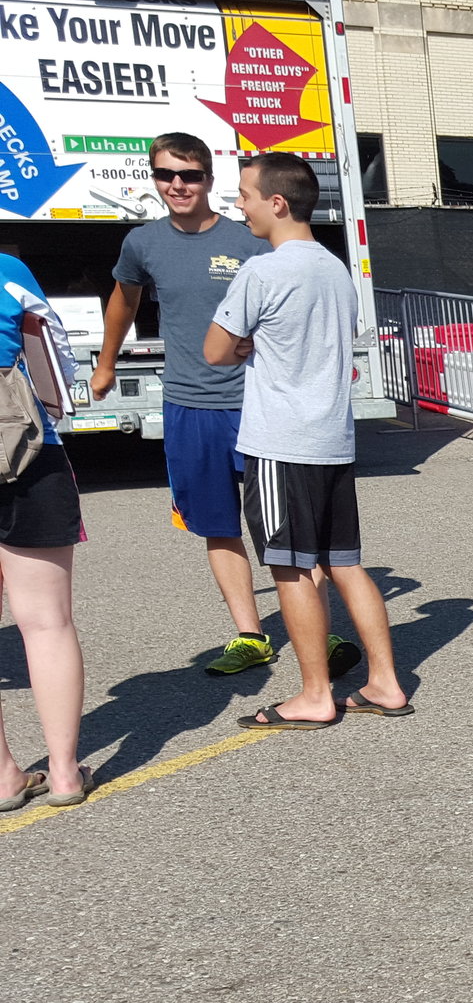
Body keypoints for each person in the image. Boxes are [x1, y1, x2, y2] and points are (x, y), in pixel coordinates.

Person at [93, 133, 329, 677]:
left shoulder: (249, 237)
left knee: (287, 527)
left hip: (257, 405)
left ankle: (320, 628)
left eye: (190, 175)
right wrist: (106, 363)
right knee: (216, 524)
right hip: (187, 406)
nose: (177, 185)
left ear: (208, 179)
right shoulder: (142, 243)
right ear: (153, 177)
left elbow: (292, 295)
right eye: (165, 174)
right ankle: (250, 635)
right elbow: (123, 301)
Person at [207, 152, 411, 728]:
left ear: (276, 202)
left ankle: (315, 694)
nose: (239, 206)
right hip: (331, 438)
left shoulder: (262, 270)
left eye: (245, 195)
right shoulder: (335, 268)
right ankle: (385, 683)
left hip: (281, 442)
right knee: (345, 563)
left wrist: (248, 344)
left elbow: (215, 350)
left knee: (291, 568)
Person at [0, 252, 91, 808]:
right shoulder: (8, 269)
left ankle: (4, 776)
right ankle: (63, 774)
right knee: (47, 622)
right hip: (25, 454)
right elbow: (55, 365)